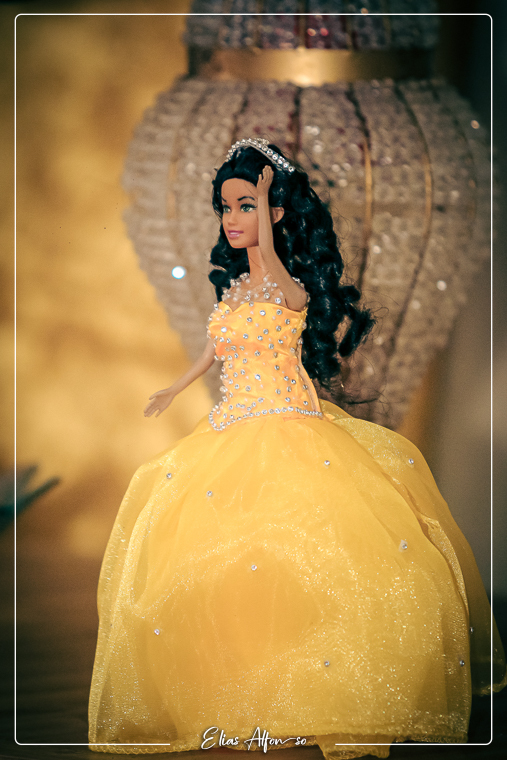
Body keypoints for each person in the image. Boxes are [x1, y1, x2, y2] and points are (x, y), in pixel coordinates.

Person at [88, 138, 506, 758]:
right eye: (225, 207)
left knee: (307, 551)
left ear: (275, 212)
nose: (232, 219)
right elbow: (213, 351)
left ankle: (315, 687)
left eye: (245, 205)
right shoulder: (233, 291)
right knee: (222, 555)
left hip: (290, 425)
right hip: (231, 428)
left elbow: (275, 269)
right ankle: (242, 685)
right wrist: (174, 388)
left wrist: (266, 205)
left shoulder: (288, 288)